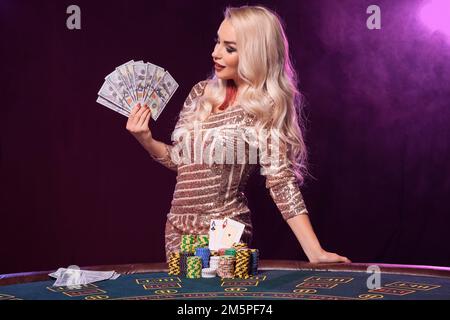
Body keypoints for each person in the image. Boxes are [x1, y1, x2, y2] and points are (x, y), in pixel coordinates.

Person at [126, 5, 350, 264]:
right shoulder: (200, 93)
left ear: (255, 54)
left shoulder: (266, 105)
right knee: (186, 302)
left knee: (217, 301)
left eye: (229, 48)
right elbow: (182, 162)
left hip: (224, 228)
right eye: (217, 42)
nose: (215, 53)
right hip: (176, 226)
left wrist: (315, 252)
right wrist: (146, 139)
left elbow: (280, 181)